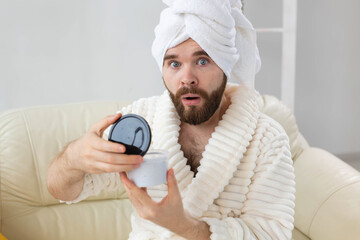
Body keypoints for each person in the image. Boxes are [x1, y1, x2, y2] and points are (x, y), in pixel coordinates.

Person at [47, 0, 295, 239]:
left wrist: (185, 227)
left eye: (202, 60)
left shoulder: (266, 139)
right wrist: (73, 159)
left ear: (225, 66)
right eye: (174, 63)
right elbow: (63, 190)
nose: (187, 78)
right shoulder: (141, 122)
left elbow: (271, 235)